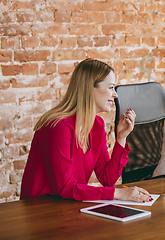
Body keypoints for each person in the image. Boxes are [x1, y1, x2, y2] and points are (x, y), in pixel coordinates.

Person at [21, 58, 152, 203]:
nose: (115, 94)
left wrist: (121, 138)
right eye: (110, 88)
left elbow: (107, 179)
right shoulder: (58, 126)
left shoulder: (97, 125)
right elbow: (66, 187)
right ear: (90, 88)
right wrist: (118, 194)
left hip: (69, 207)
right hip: (41, 210)